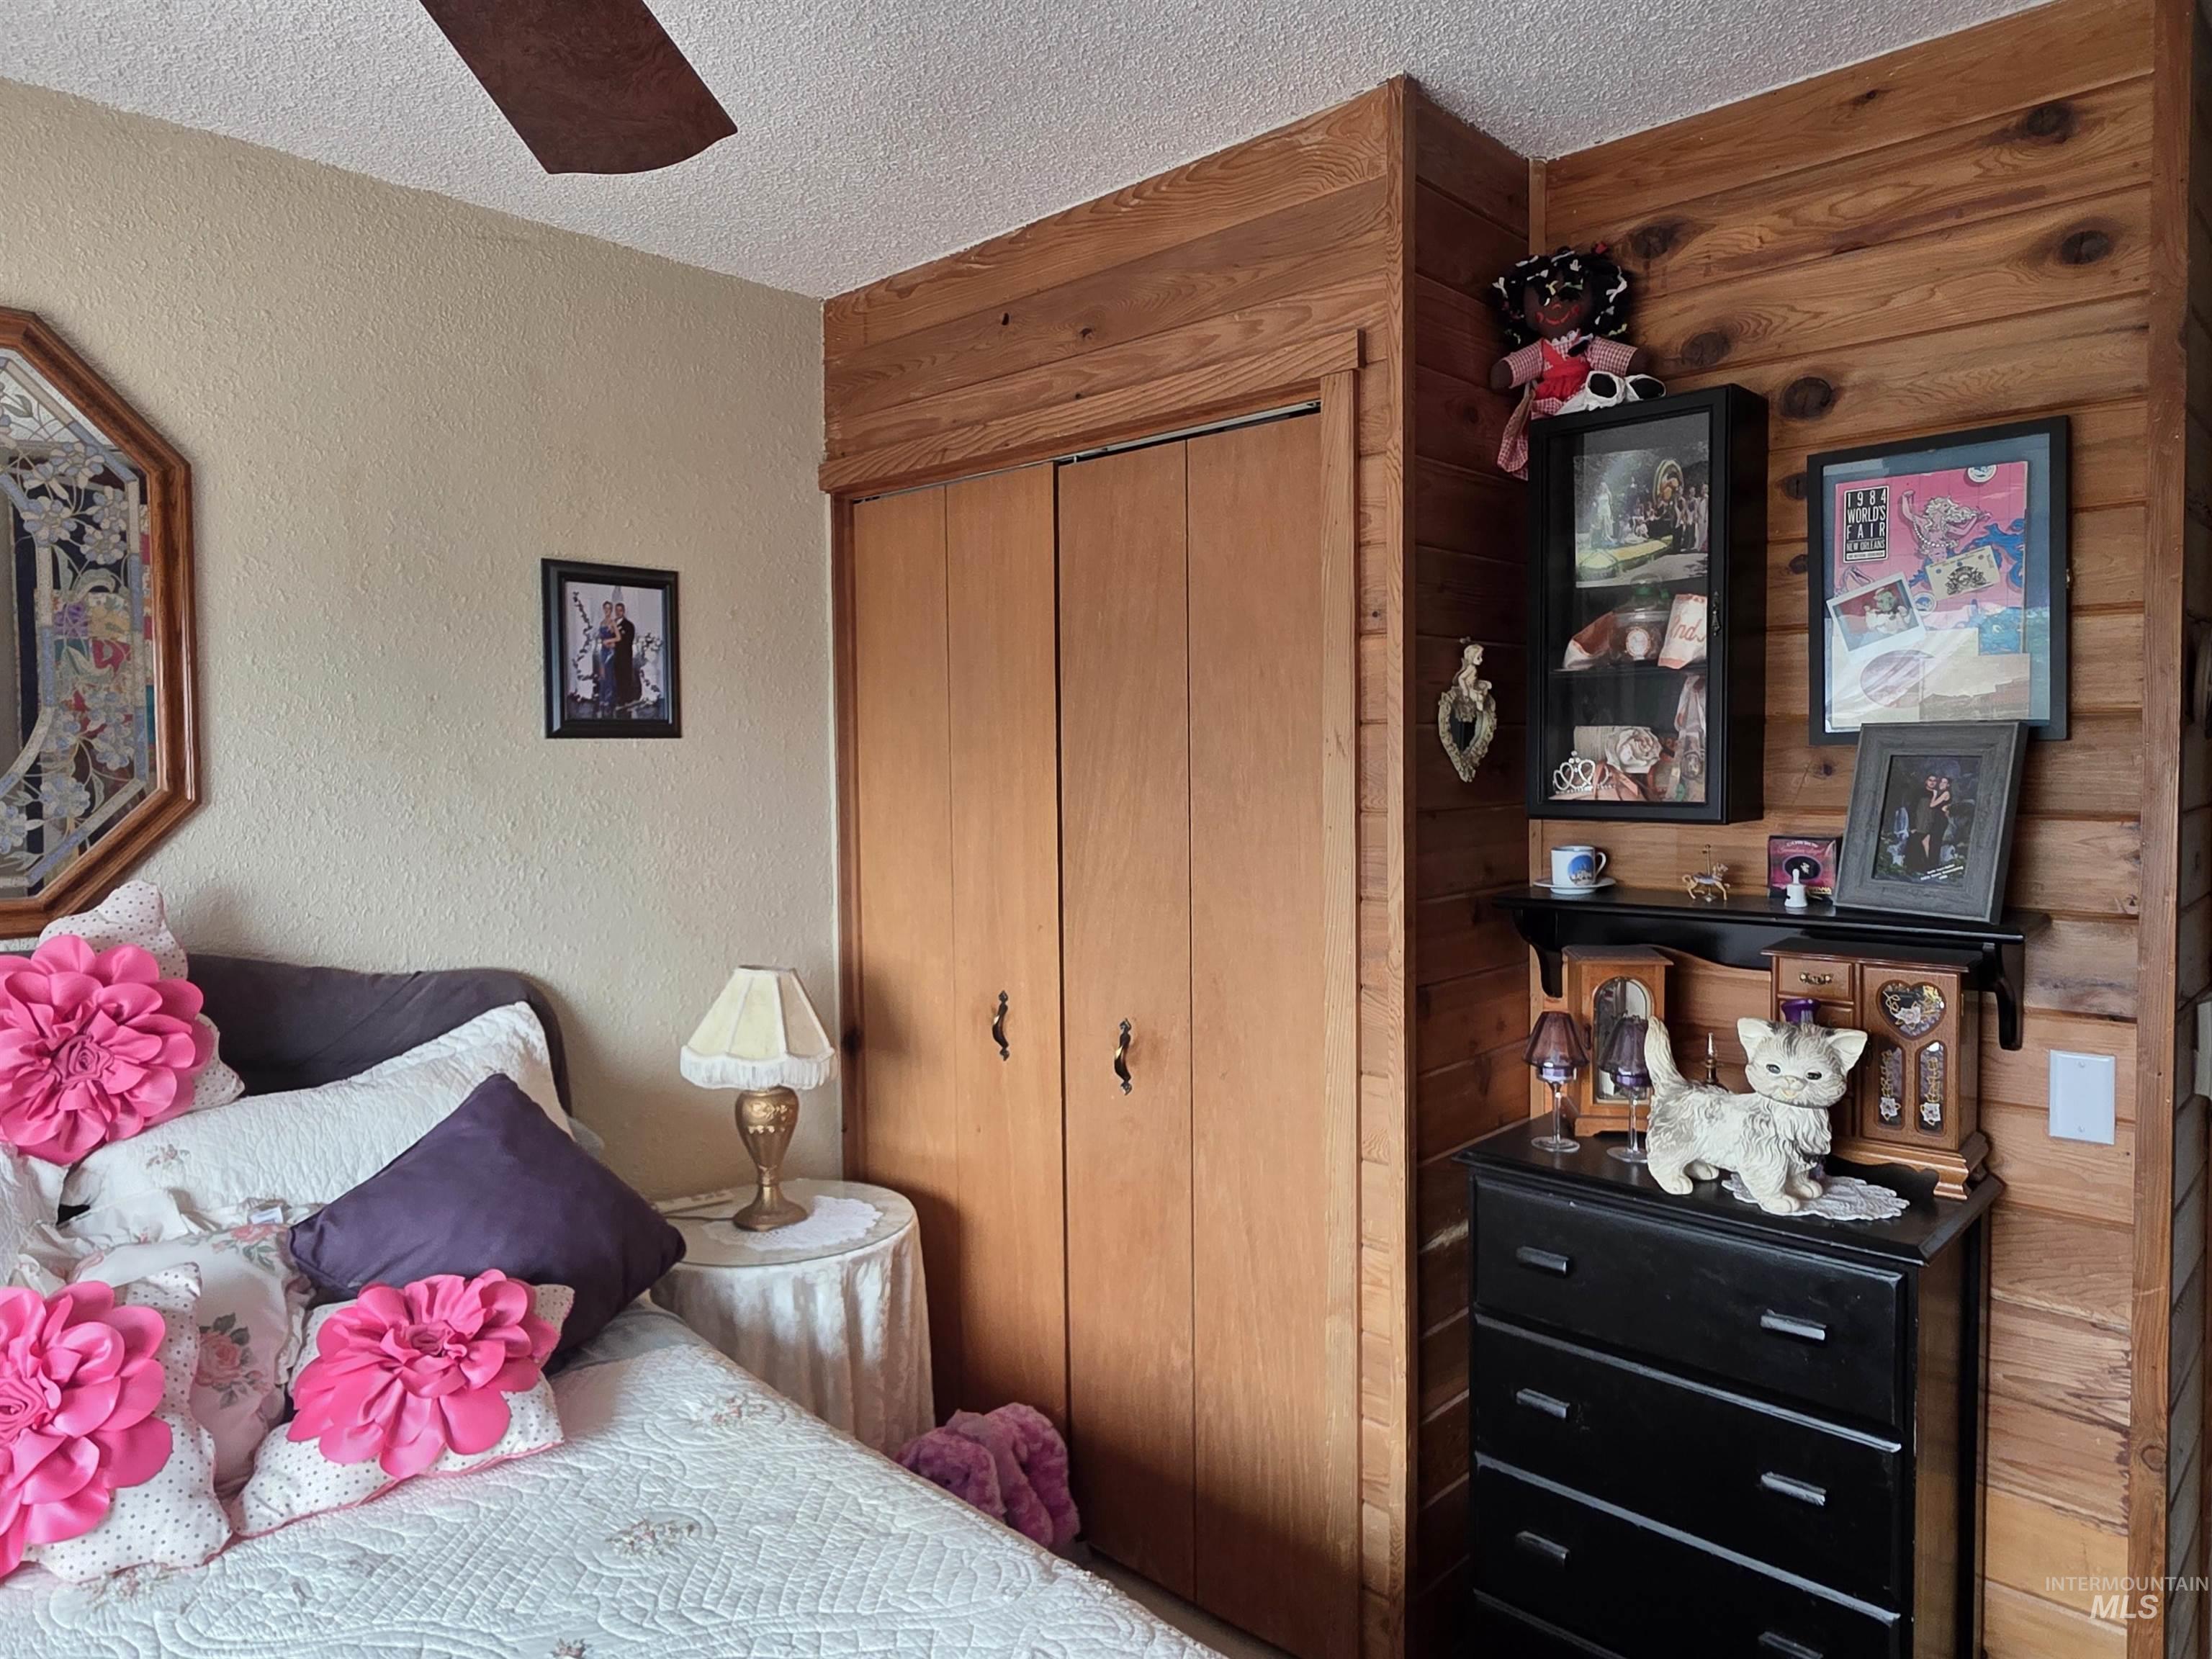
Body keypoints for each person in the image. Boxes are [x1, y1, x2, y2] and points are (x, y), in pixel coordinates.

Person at [611, 600, 641, 711]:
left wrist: (616, 643)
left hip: (625, 655)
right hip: (615, 655)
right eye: (616, 611)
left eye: (620, 611)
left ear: (623, 611)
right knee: (617, 676)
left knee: (626, 676)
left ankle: (626, 698)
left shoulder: (629, 625)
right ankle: (619, 697)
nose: (618, 613)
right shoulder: (613, 624)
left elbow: (628, 641)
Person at [592, 601, 617, 711]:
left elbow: (619, 638)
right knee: (602, 674)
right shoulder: (602, 622)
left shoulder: (613, 622)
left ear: (611, 610)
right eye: (605, 609)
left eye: (609, 609)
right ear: (603, 609)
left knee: (608, 674)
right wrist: (601, 640)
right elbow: (601, 637)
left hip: (610, 651)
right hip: (603, 650)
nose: (607, 611)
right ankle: (602, 698)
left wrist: (608, 641)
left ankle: (608, 699)